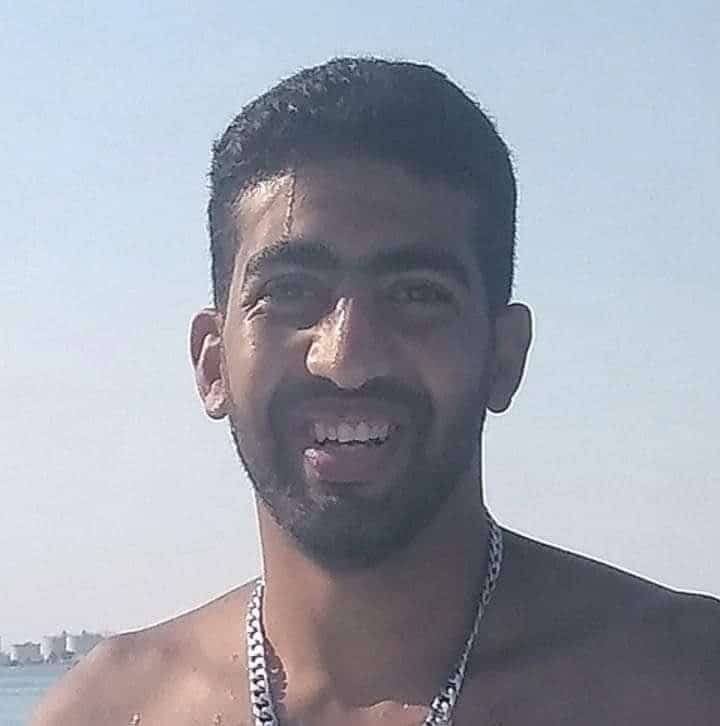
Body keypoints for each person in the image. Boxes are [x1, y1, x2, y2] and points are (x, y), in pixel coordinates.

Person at [33, 57, 719, 726]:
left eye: (416, 294)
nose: (346, 359)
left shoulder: (684, 682)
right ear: (212, 364)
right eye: (290, 292)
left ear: (503, 357)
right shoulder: (104, 710)